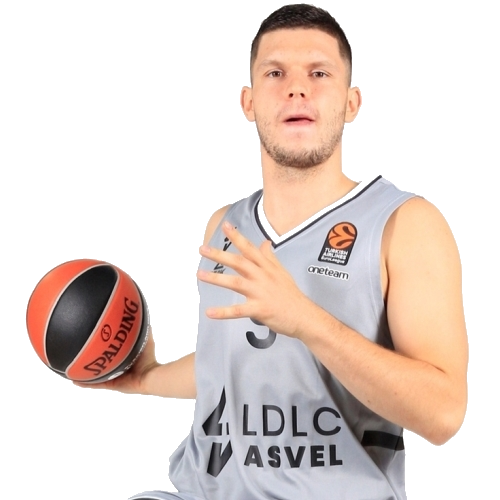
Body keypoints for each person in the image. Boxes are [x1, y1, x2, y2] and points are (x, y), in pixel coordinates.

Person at [81, 5, 468, 499]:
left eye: (319, 73)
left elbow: (442, 413)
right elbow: (236, 366)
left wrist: (304, 319)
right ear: (248, 102)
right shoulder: (224, 225)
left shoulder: (404, 224)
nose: (296, 89)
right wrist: (146, 379)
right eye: (275, 73)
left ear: (352, 102)